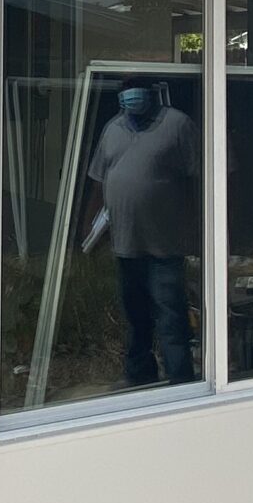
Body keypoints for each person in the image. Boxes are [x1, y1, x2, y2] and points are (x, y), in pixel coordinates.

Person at [85, 75, 201, 389]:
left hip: (165, 245)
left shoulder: (177, 126)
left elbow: (197, 179)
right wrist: (90, 230)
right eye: (126, 92)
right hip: (126, 244)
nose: (131, 97)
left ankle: (181, 380)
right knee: (136, 317)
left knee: (170, 317)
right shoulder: (113, 129)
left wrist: (197, 229)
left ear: (151, 93)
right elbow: (100, 180)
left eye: (136, 90)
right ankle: (140, 374)